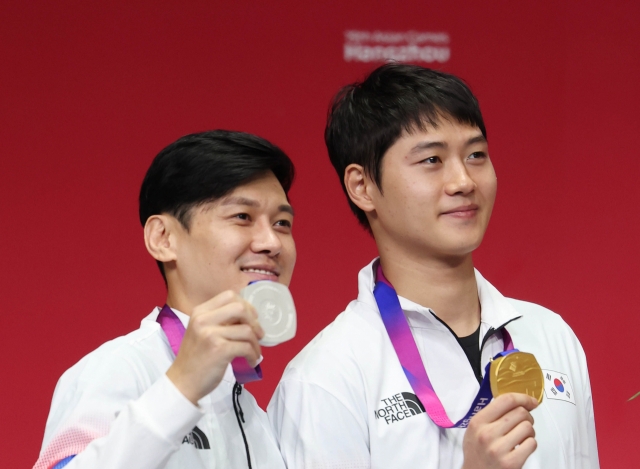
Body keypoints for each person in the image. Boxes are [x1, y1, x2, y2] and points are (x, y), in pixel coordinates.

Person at [268, 64, 599, 469]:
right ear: (362, 187)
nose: (463, 180)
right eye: (431, 160)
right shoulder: (326, 377)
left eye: (476, 155)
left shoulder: (551, 335)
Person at [34, 130, 296, 469]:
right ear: (163, 238)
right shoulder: (120, 369)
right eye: (242, 217)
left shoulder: (254, 418)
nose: (271, 242)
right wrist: (181, 388)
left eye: (282, 223)